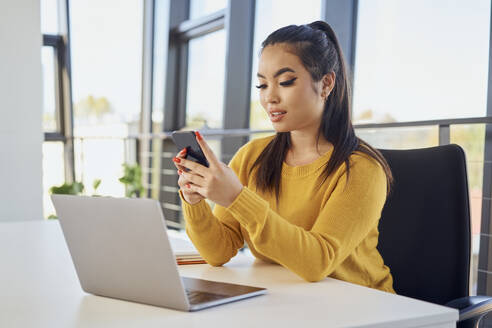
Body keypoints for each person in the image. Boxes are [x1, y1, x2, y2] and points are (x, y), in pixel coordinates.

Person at [172, 21, 395, 293]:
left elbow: (317, 261)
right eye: (262, 85)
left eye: (285, 82)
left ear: (326, 84)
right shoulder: (253, 156)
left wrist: (237, 198)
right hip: (286, 299)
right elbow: (218, 252)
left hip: (365, 307)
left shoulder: (361, 168)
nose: (270, 98)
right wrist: (194, 200)